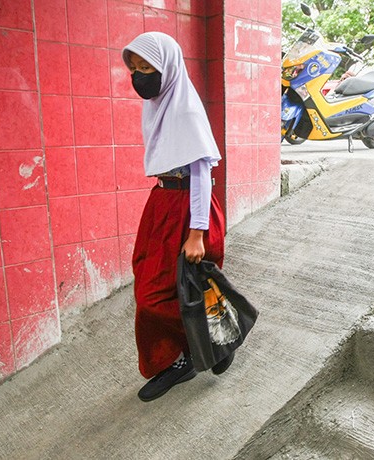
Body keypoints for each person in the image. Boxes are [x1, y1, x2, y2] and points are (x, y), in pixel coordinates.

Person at [122, 32, 230, 402]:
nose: (139, 76)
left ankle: (207, 342)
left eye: (147, 67)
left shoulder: (183, 108)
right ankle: (193, 349)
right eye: (134, 69)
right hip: (163, 202)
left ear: (166, 67)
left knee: (163, 293)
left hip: (188, 205)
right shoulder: (157, 106)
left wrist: (197, 231)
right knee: (152, 280)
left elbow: (201, 172)